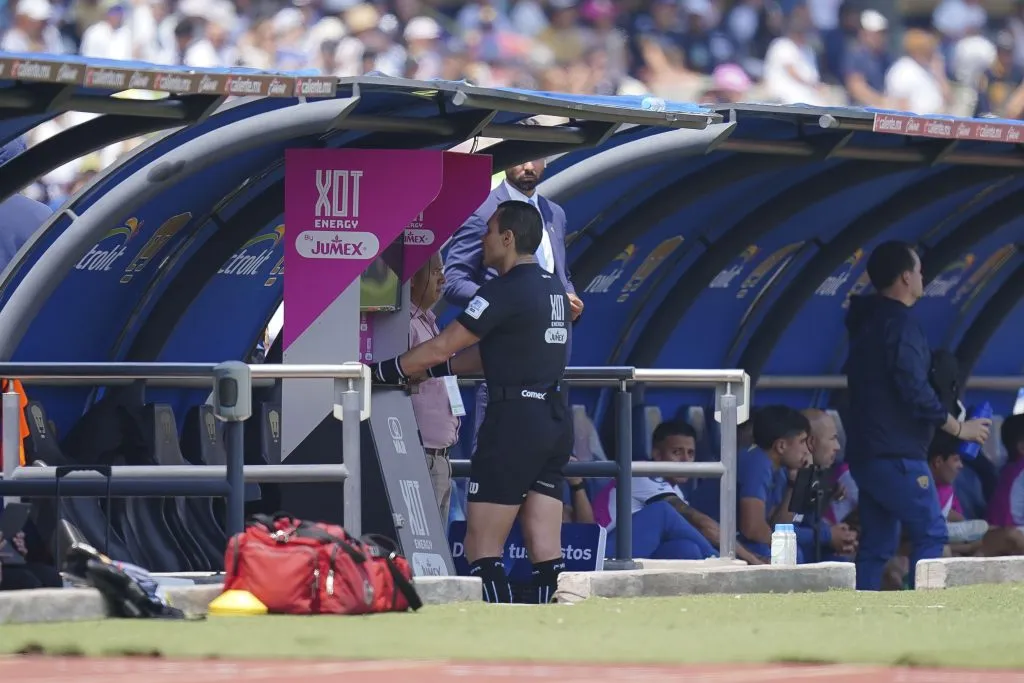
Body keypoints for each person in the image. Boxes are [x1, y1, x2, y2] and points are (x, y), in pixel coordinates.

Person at [370, 201, 573, 604]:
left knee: (482, 545)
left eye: (488, 232)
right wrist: (433, 372)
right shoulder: (554, 288)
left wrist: (383, 371)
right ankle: (559, 630)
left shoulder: (501, 290)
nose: (483, 241)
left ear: (508, 239)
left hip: (513, 423)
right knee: (546, 549)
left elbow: (444, 345)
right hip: (552, 419)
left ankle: (492, 633)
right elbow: (493, 353)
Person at [843, 241, 991, 590]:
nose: (923, 277)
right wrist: (959, 428)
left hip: (868, 452)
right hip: (896, 453)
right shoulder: (899, 324)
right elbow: (913, 388)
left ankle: (860, 607)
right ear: (907, 277)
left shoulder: (867, 322)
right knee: (931, 529)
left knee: (879, 543)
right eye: (920, 271)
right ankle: (926, 606)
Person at [443, 151, 584, 454]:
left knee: (544, 469)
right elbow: (453, 281)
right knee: (495, 461)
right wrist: (508, 303)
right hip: (503, 361)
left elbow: (559, 273)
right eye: (520, 157)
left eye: (537, 158)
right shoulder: (482, 212)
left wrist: (570, 298)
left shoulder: (553, 212)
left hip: (551, 365)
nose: (528, 165)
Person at [407, 253, 460, 525]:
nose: (443, 278)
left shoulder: (429, 320)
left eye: (443, 270)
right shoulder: (405, 325)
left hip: (440, 457)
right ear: (413, 279)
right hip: (422, 456)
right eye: (435, 271)